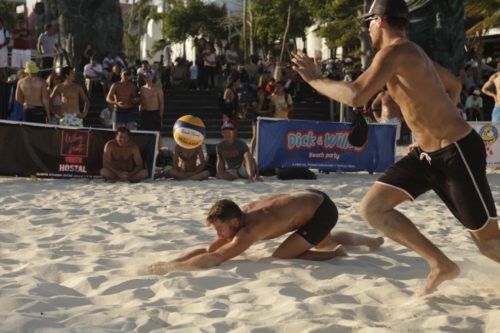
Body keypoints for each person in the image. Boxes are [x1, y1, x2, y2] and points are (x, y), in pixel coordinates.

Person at [292, 0, 499, 295]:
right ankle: (440, 264)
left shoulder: (397, 51)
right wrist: (427, 128)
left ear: (381, 21)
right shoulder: (410, 53)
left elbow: (356, 95)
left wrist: (313, 79)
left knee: (489, 244)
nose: (367, 29)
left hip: (456, 152)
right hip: (425, 155)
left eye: (368, 23)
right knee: (372, 209)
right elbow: (453, 85)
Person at [148, 189, 384, 274]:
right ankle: (369, 241)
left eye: (221, 229)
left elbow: (216, 258)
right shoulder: (241, 214)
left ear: (234, 222)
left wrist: (172, 269)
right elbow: (210, 249)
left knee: (281, 255)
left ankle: (337, 253)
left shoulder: (250, 230)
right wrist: (170, 260)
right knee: (322, 240)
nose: (219, 234)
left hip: (322, 211)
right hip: (310, 198)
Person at [139, 72, 164, 148]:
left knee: (157, 133)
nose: (148, 78)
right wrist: (140, 111)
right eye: (146, 77)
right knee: (144, 133)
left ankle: (160, 150)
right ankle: (146, 148)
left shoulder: (158, 89)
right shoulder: (142, 89)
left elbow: (161, 103)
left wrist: (160, 115)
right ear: (144, 78)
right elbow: (141, 101)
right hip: (145, 113)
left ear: (152, 77)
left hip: (155, 113)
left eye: (149, 77)